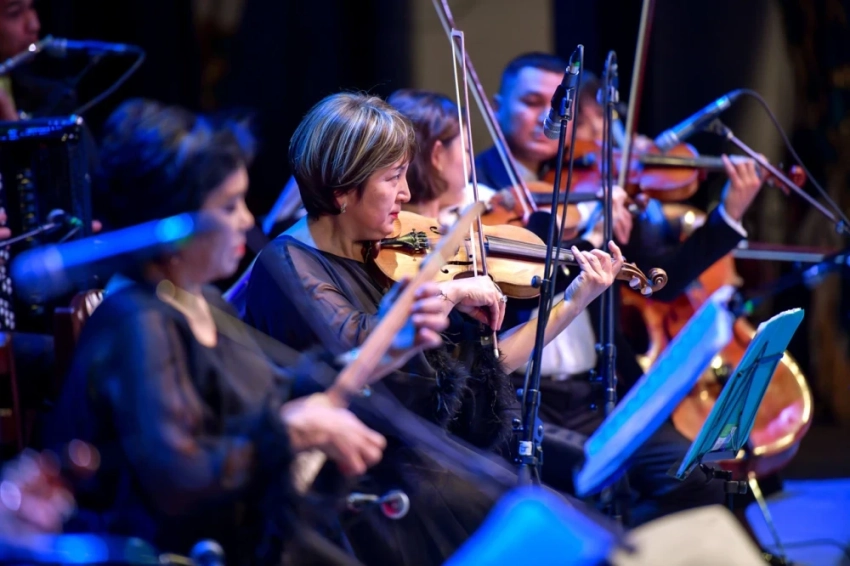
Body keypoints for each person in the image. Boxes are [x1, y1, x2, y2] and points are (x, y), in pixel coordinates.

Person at [42, 98, 451, 565]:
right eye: (228, 205)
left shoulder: (201, 301)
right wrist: (294, 431)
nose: (246, 220)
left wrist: (393, 345)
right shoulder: (138, 321)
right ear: (172, 223)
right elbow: (179, 482)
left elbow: (290, 393)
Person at [243, 91, 622, 565]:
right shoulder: (286, 265)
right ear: (341, 190)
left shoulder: (381, 250)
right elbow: (359, 351)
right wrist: (445, 295)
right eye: (393, 177)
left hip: (429, 459)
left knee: (567, 528)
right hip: (365, 487)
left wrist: (573, 300)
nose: (406, 194)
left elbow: (485, 368)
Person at [474, 51, 766, 525]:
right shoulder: (476, 191)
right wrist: (585, 225)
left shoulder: (594, 182)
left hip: (596, 391)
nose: (549, 116)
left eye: (558, 105)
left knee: (700, 478)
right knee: (591, 498)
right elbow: (519, 287)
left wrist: (729, 214)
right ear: (496, 105)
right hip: (522, 397)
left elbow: (660, 281)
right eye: (530, 102)